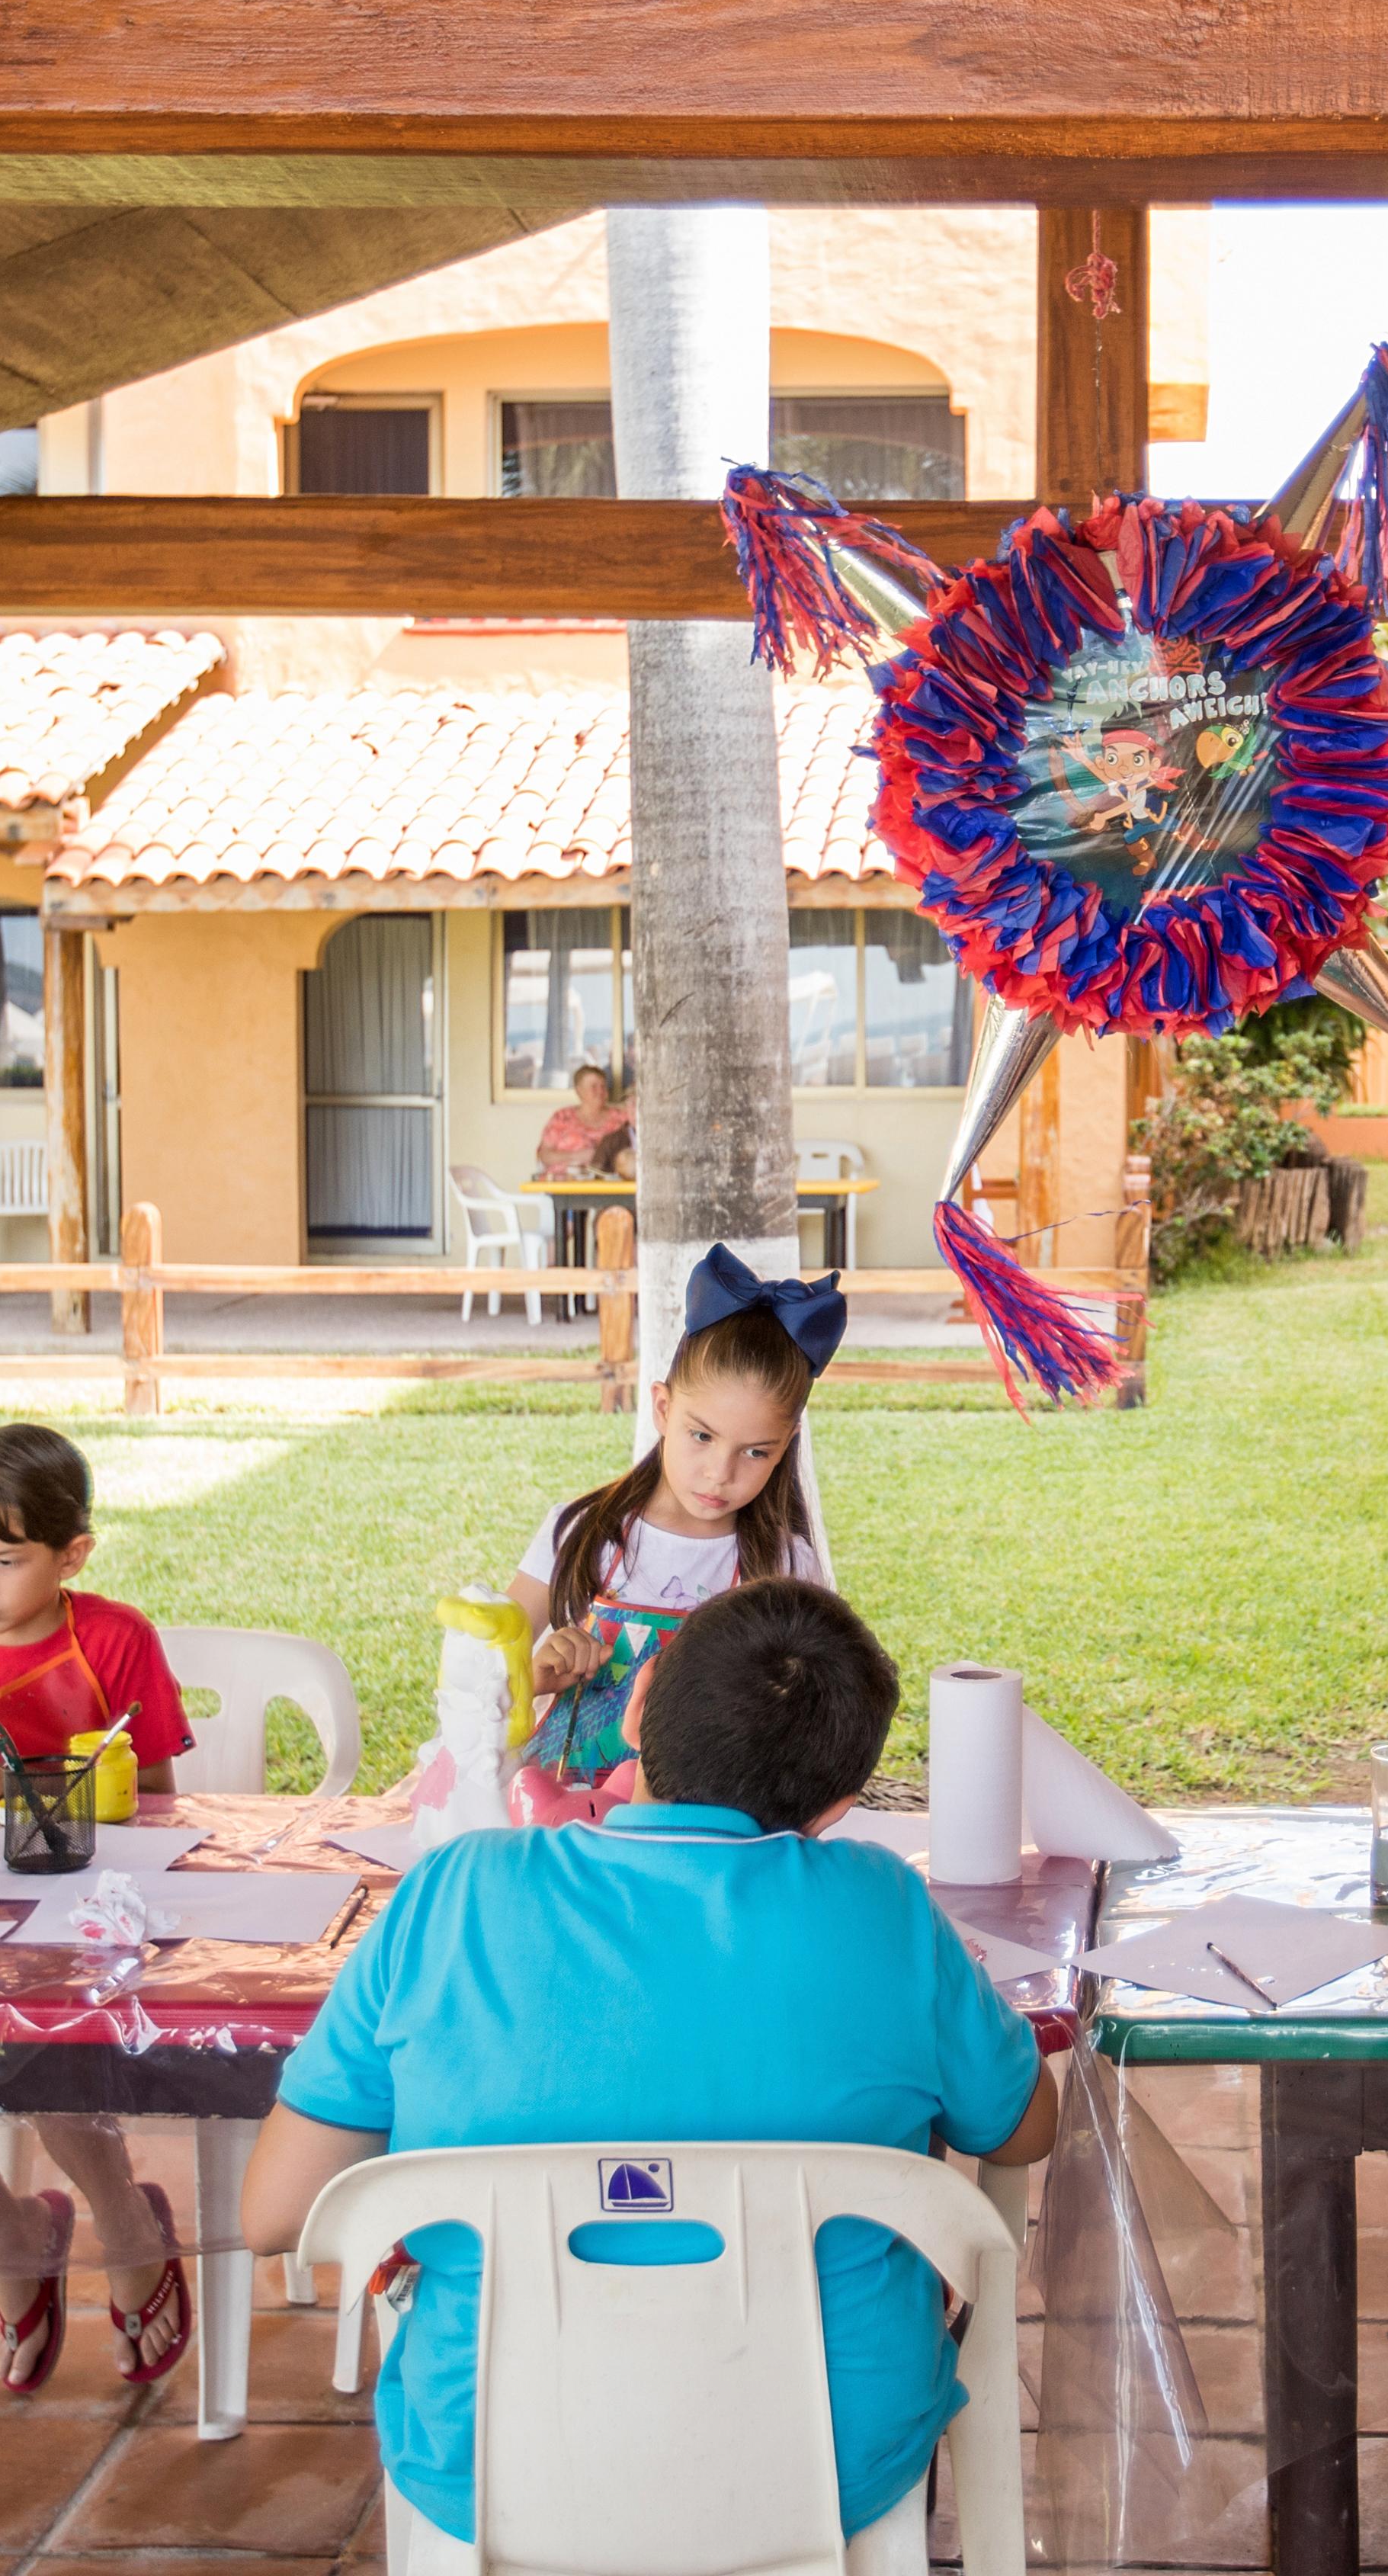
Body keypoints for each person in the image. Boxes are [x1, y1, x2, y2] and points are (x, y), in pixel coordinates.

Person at [243, 1577, 1062, 2548]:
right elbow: (1022, 2128)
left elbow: (275, 2215)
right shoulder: (885, 1908)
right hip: (826, 2462)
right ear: (840, 1807)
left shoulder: (454, 1893)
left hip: (491, 2454)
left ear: (634, 1711)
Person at [0, 1422, 201, 2396]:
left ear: (72, 1556)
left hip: (97, 1909)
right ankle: (9, 2230)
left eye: (4, 1559)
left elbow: (154, 1798)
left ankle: (124, 2219)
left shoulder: (115, 1639)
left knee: (40, 2040)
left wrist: (25, 1789)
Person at [508, 1250, 840, 1808]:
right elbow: (480, 1676)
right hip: (561, 1826)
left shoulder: (785, 1566)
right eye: (702, 1436)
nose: (720, 1473)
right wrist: (535, 1674)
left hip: (706, 1833)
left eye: (756, 1452)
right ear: (662, 1408)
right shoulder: (582, 1532)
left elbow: (814, 1721)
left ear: (787, 1446)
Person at [536, 1061, 633, 1180]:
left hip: (608, 1186)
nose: (600, 1091)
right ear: (579, 1091)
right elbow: (545, 1156)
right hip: (563, 1185)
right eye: (594, 1087)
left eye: (603, 1086)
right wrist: (576, 1156)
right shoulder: (562, 1117)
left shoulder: (621, 1116)